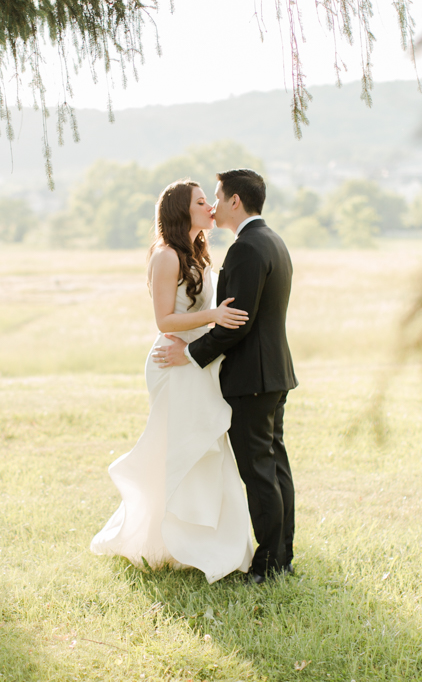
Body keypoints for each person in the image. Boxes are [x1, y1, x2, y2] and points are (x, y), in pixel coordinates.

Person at [90, 179, 255, 583]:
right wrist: (213, 317)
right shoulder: (166, 256)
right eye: (202, 202)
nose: (211, 208)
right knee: (182, 448)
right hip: (173, 361)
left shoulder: (198, 253)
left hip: (196, 362)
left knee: (207, 446)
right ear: (184, 210)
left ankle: (216, 544)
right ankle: (165, 541)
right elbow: (164, 320)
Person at [153, 168, 298, 584]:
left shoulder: (246, 248)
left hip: (252, 378)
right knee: (274, 467)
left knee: (259, 471)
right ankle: (282, 555)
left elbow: (238, 322)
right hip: (272, 373)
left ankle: (271, 565)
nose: (213, 206)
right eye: (204, 201)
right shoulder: (271, 240)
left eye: (215, 197)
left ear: (236, 201)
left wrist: (193, 354)